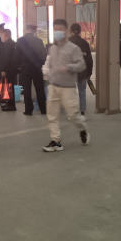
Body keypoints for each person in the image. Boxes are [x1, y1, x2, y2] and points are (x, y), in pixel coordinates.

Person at [41, 19, 90, 152]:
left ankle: (82, 128)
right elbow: (49, 65)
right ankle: (56, 141)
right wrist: (47, 74)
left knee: (73, 115)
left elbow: (82, 65)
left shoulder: (73, 48)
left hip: (67, 87)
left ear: (66, 31)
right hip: (53, 86)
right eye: (55, 29)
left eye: (60, 29)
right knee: (51, 115)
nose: (58, 32)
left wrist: (68, 67)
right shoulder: (52, 48)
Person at [15, 24, 47, 116]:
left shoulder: (20, 41)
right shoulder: (39, 41)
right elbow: (43, 55)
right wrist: (40, 64)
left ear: (25, 29)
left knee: (27, 90)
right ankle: (43, 109)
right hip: (37, 68)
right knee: (40, 89)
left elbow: (16, 56)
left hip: (25, 68)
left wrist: (19, 67)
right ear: (34, 31)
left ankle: (28, 110)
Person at [69, 23, 93, 120]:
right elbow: (89, 60)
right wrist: (89, 73)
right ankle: (82, 113)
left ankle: (72, 114)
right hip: (82, 72)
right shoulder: (84, 43)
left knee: (71, 94)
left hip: (70, 73)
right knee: (82, 93)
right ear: (80, 32)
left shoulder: (67, 43)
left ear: (70, 31)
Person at [0, 28, 19, 111]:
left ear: (6, 35)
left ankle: (11, 105)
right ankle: (9, 103)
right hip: (12, 69)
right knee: (9, 87)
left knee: (9, 87)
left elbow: (7, 58)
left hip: (9, 70)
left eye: (2, 35)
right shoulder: (13, 43)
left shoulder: (7, 44)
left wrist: (4, 70)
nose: (1, 37)